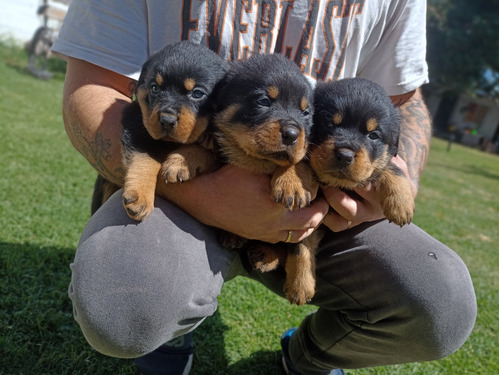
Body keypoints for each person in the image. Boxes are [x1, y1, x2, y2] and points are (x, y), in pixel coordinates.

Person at [52, 1, 477, 374]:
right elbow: (95, 87)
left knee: (441, 304)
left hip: (324, 201)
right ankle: (166, 324)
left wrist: (397, 177)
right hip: (178, 189)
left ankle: (307, 356)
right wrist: (204, 195)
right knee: (120, 305)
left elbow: (405, 101)